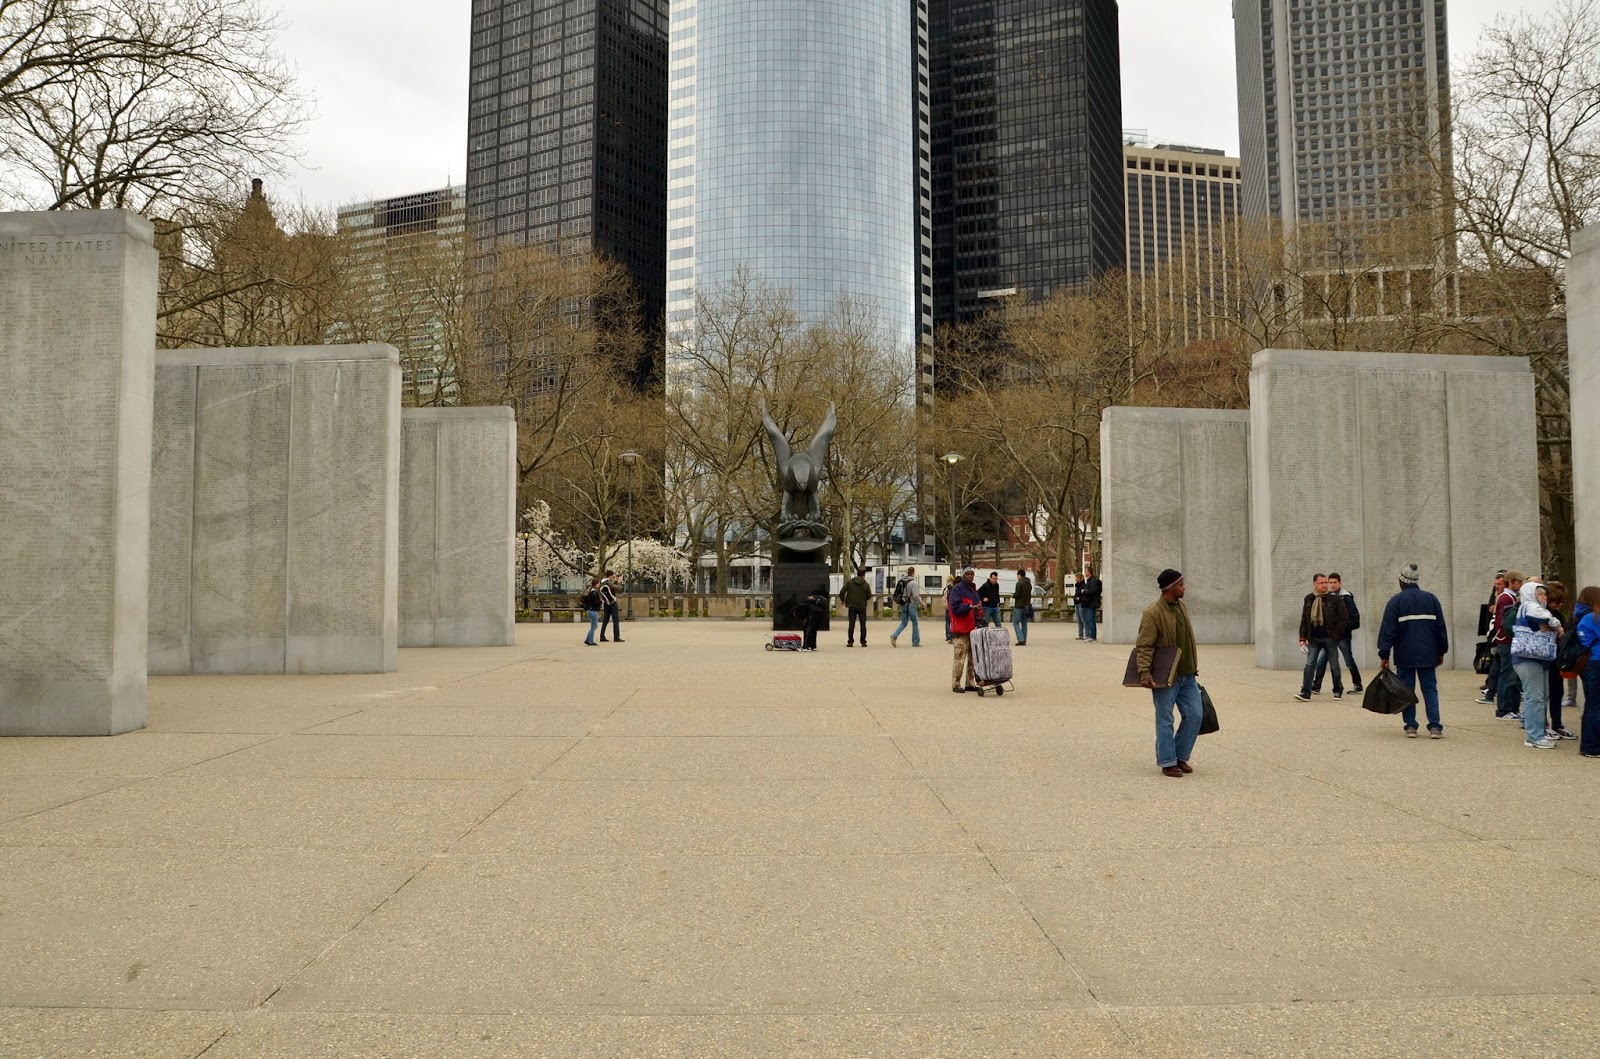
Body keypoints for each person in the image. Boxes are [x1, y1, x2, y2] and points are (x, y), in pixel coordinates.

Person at [1136, 568, 1202, 778]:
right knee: (1165, 719)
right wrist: (1145, 672)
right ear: (1171, 588)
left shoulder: (1181, 606)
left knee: (1195, 716)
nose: (1184, 588)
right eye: (1181, 585)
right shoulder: (1152, 612)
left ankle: (1180, 756)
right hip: (1166, 676)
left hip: (1189, 674)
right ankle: (1167, 761)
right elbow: (1144, 645)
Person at [1375, 562, 1449, 738]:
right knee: (1430, 689)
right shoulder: (1431, 599)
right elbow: (1440, 629)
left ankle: (1410, 726)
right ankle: (1435, 727)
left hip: (1405, 655)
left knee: (1406, 690)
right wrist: (1441, 652)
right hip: (1428, 654)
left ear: (1402, 581)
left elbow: (1388, 631)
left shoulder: (1396, 601)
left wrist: (1384, 655)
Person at [1511, 578, 1563, 749]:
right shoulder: (1530, 606)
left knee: (1540, 696)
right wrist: (1557, 625)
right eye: (1539, 594)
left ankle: (1537, 733)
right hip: (1528, 658)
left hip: (1538, 658)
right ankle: (1534, 736)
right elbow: (1547, 620)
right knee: (1535, 697)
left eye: (1544, 594)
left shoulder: (1527, 607)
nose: (1543, 597)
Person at [1295, 573, 1350, 701]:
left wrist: (1336, 633)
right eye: (1321, 583)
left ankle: (1337, 690)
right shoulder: (1309, 599)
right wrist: (1302, 638)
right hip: (1314, 638)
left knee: (1334, 666)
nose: (1325, 585)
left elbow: (1344, 618)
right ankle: (1306, 692)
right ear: (1315, 584)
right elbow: (1304, 619)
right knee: (1310, 664)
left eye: (1326, 582)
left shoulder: (1335, 599)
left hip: (1330, 638)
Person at [1312, 572, 1363, 694]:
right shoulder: (1327, 596)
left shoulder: (1346, 597)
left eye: (1335, 582)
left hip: (1343, 636)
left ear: (1340, 583)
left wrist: (1342, 629)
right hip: (1330, 636)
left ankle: (1358, 684)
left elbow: (1354, 619)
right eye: (1330, 582)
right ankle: (1316, 686)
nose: (1332, 585)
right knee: (1322, 660)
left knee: (1348, 659)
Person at [1492, 570, 1526, 719]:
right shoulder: (1506, 598)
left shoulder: (1511, 597)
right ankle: (1504, 709)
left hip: (1507, 641)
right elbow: (1503, 622)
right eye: (1519, 582)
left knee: (1513, 677)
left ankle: (1512, 707)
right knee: (1508, 676)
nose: (1521, 585)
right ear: (1511, 581)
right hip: (1506, 641)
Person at [1545, 581, 1577, 739]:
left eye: (1562, 602)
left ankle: (1556, 723)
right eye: (1556, 602)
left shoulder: (1559, 615)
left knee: (1557, 692)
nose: (1559, 604)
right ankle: (1546, 724)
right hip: (1546, 657)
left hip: (1556, 657)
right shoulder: (1543, 613)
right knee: (1545, 693)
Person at [1574, 585, 1600, 758]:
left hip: (1588, 663)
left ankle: (1589, 745)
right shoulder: (1594, 618)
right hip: (1597, 661)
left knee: (1592, 703)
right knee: (1595, 705)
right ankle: (1591, 746)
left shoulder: (1580, 616)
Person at [1476, 570, 1510, 703]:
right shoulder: (1499, 596)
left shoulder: (1505, 597)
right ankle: (1492, 692)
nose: (1497, 586)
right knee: (1497, 665)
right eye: (1496, 584)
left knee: (1498, 665)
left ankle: (1491, 692)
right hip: (1497, 636)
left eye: (1500, 584)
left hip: (1499, 636)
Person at [948, 567, 982, 692]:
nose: (970, 576)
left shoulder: (973, 589)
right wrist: (970, 607)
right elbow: (955, 608)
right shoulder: (957, 589)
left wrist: (978, 610)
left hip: (972, 629)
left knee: (973, 659)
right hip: (961, 629)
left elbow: (977, 605)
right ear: (963, 575)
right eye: (967, 574)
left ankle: (970, 682)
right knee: (959, 658)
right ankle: (956, 684)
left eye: (972, 574)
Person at [839, 568, 872, 647]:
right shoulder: (866, 584)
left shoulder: (850, 582)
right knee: (863, 625)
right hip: (862, 606)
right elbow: (869, 596)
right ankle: (863, 642)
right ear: (864, 575)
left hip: (852, 606)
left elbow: (842, 591)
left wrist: (843, 600)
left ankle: (850, 642)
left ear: (857, 574)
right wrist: (864, 599)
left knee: (851, 624)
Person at [890, 567, 922, 647]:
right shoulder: (914, 583)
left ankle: (894, 635)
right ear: (913, 572)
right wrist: (921, 602)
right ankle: (915, 642)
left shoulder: (902, 581)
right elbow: (915, 595)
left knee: (904, 623)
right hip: (911, 604)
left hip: (903, 603)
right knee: (915, 623)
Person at [798, 585, 829, 652]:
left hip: (813, 614)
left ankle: (805, 647)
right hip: (821, 613)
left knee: (807, 629)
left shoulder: (801, 608)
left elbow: (804, 616)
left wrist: (805, 621)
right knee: (813, 629)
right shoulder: (811, 602)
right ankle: (813, 646)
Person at [1078, 568, 1102, 642]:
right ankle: (1091, 635)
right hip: (1088, 603)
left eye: (1086, 571)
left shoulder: (1093, 581)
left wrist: (1084, 591)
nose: (1085, 572)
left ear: (1089, 572)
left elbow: (1093, 590)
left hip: (1092, 603)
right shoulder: (1089, 581)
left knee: (1091, 620)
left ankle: (1092, 636)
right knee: (1089, 619)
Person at [598, 571, 623, 642]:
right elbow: (618, 588)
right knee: (616, 620)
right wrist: (619, 582)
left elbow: (610, 587)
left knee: (605, 620)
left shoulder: (602, 582)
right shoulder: (608, 582)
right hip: (612, 602)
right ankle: (616, 637)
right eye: (612, 576)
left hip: (606, 603)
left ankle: (602, 636)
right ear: (610, 576)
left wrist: (615, 582)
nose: (613, 577)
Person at [1012, 568, 1033, 646]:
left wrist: (1013, 595)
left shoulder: (1019, 583)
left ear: (1019, 575)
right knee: (1024, 623)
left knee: (1015, 623)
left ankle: (1020, 639)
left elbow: (1017, 594)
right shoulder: (1029, 584)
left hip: (1019, 605)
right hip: (1026, 605)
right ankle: (1024, 639)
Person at [579, 577, 603, 646]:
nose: (599, 585)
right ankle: (590, 641)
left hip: (589, 609)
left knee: (593, 626)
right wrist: (601, 601)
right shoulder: (595, 592)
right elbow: (595, 602)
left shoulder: (589, 591)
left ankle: (587, 640)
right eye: (599, 583)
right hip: (593, 610)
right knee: (594, 627)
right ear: (596, 584)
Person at [941, 574, 957, 643]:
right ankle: (952, 635)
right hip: (952, 606)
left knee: (947, 622)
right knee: (952, 621)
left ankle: (948, 635)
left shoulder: (946, 589)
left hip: (947, 606)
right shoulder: (954, 588)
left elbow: (943, 597)